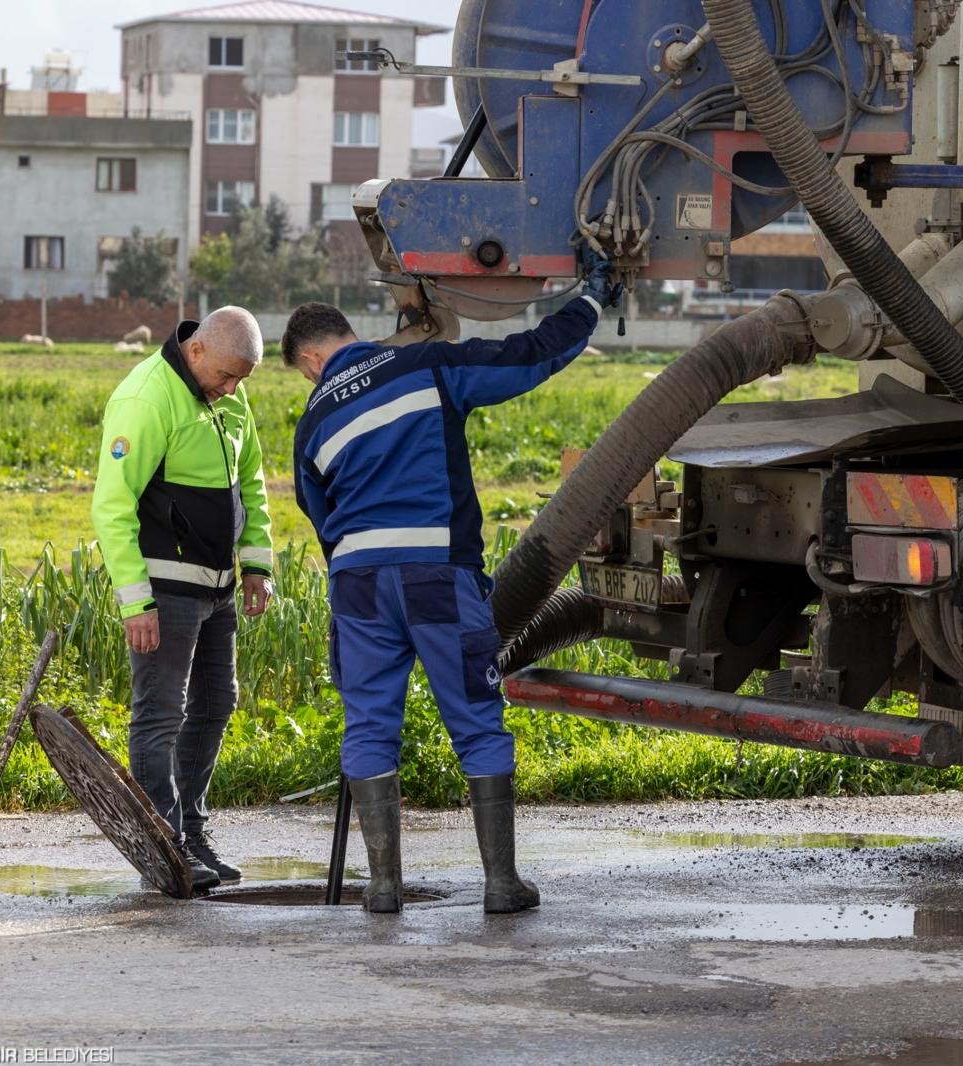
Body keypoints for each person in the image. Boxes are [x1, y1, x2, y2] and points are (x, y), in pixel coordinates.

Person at [281, 253, 622, 914]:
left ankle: (383, 888)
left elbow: (319, 519)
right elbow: (528, 357)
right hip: (434, 574)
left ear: (311, 361)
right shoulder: (423, 368)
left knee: (370, 724)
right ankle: (500, 884)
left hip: (357, 585)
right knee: (473, 716)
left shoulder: (312, 423)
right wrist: (590, 302)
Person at [91, 305, 275, 892]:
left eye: (241, 381)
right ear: (196, 350)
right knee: (160, 714)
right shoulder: (145, 398)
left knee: (218, 702)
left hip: (219, 584)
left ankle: (190, 833)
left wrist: (256, 564)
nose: (232, 389)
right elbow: (111, 507)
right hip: (164, 587)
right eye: (225, 377)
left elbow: (252, 481)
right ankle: (163, 850)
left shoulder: (228, 392)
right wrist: (134, 602)